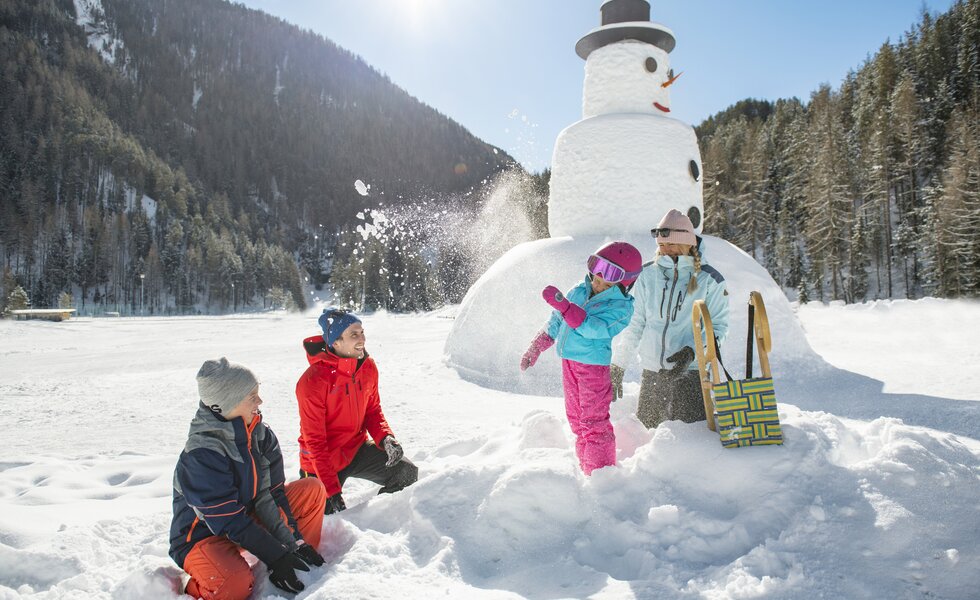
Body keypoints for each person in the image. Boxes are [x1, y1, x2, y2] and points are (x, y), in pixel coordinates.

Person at [169, 358, 327, 600]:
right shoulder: (201, 454)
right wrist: (276, 555)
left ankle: (295, 562)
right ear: (227, 403)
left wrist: (294, 543)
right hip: (204, 537)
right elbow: (228, 520)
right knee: (235, 587)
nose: (260, 401)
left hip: (246, 521)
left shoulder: (261, 435)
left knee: (312, 491)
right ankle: (189, 587)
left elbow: (273, 495)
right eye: (251, 396)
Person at [520, 241, 641, 475]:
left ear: (626, 281)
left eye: (609, 273)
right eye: (596, 266)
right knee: (576, 420)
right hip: (569, 363)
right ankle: (587, 468)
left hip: (593, 369)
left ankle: (601, 475)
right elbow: (557, 319)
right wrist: (537, 346)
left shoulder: (621, 307)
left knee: (593, 422)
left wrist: (566, 308)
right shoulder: (580, 290)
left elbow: (594, 328)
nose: (597, 277)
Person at [611, 209, 730, 428]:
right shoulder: (648, 274)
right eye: (661, 245)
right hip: (652, 372)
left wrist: (693, 352)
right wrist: (619, 363)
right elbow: (636, 323)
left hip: (692, 373)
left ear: (688, 243)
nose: (665, 250)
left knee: (691, 441)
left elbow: (719, 328)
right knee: (648, 438)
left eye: (671, 245)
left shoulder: (710, 280)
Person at [295, 309, 418, 514]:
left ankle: (378, 518)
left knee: (406, 473)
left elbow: (372, 409)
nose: (362, 338)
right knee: (324, 520)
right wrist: (331, 491)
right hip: (320, 463)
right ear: (336, 342)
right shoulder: (312, 382)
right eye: (354, 334)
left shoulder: (367, 367)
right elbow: (314, 441)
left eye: (362, 332)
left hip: (355, 449)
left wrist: (385, 437)